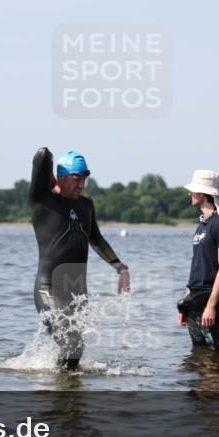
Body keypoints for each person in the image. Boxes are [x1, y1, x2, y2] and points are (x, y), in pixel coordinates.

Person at [28, 147, 129, 370]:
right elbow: (42, 155)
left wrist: (121, 269)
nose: (81, 186)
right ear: (61, 178)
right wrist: (52, 178)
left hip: (77, 292)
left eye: (84, 180)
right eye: (76, 180)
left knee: (75, 349)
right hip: (49, 289)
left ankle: (64, 392)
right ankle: (64, 398)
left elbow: (97, 240)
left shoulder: (86, 205)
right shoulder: (43, 201)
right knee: (72, 344)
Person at [177, 170, 219, 355]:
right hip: (195, 302)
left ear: (202, 194)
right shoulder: (202, 225)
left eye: (192, 190)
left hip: (214, 302)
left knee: (218, 356)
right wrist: (186, 302)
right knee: (198, 355)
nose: (189, 194)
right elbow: (198, 267)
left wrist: (211, 306)